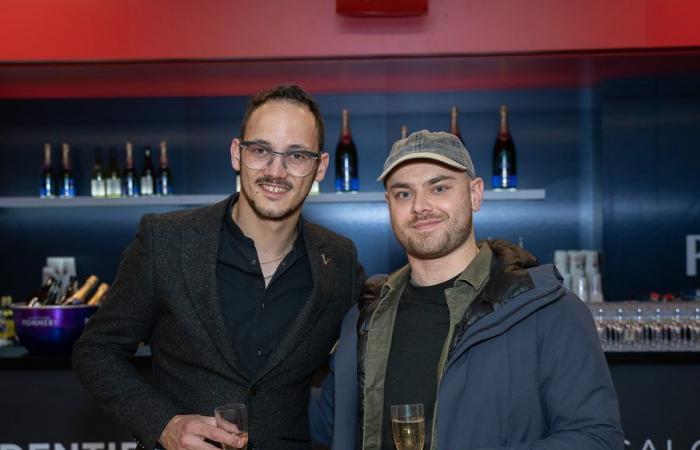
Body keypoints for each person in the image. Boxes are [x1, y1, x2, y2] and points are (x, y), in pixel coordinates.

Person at [73, 85, 365, 450]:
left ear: (320, 166)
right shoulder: (166, 241)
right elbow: (96, 351)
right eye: (260, 150)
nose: (276, 171)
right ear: (236, 154)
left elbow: (380, 340)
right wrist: (165, 425)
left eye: (297, 155)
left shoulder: (338, 260)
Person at [310, 130, 624, 450]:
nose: (421, 206)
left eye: (440, 187)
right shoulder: (366, 316)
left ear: (475, 194)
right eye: (403, 193)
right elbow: (328, 422)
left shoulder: (551, 311)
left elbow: (597, 438)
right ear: (388, 204)